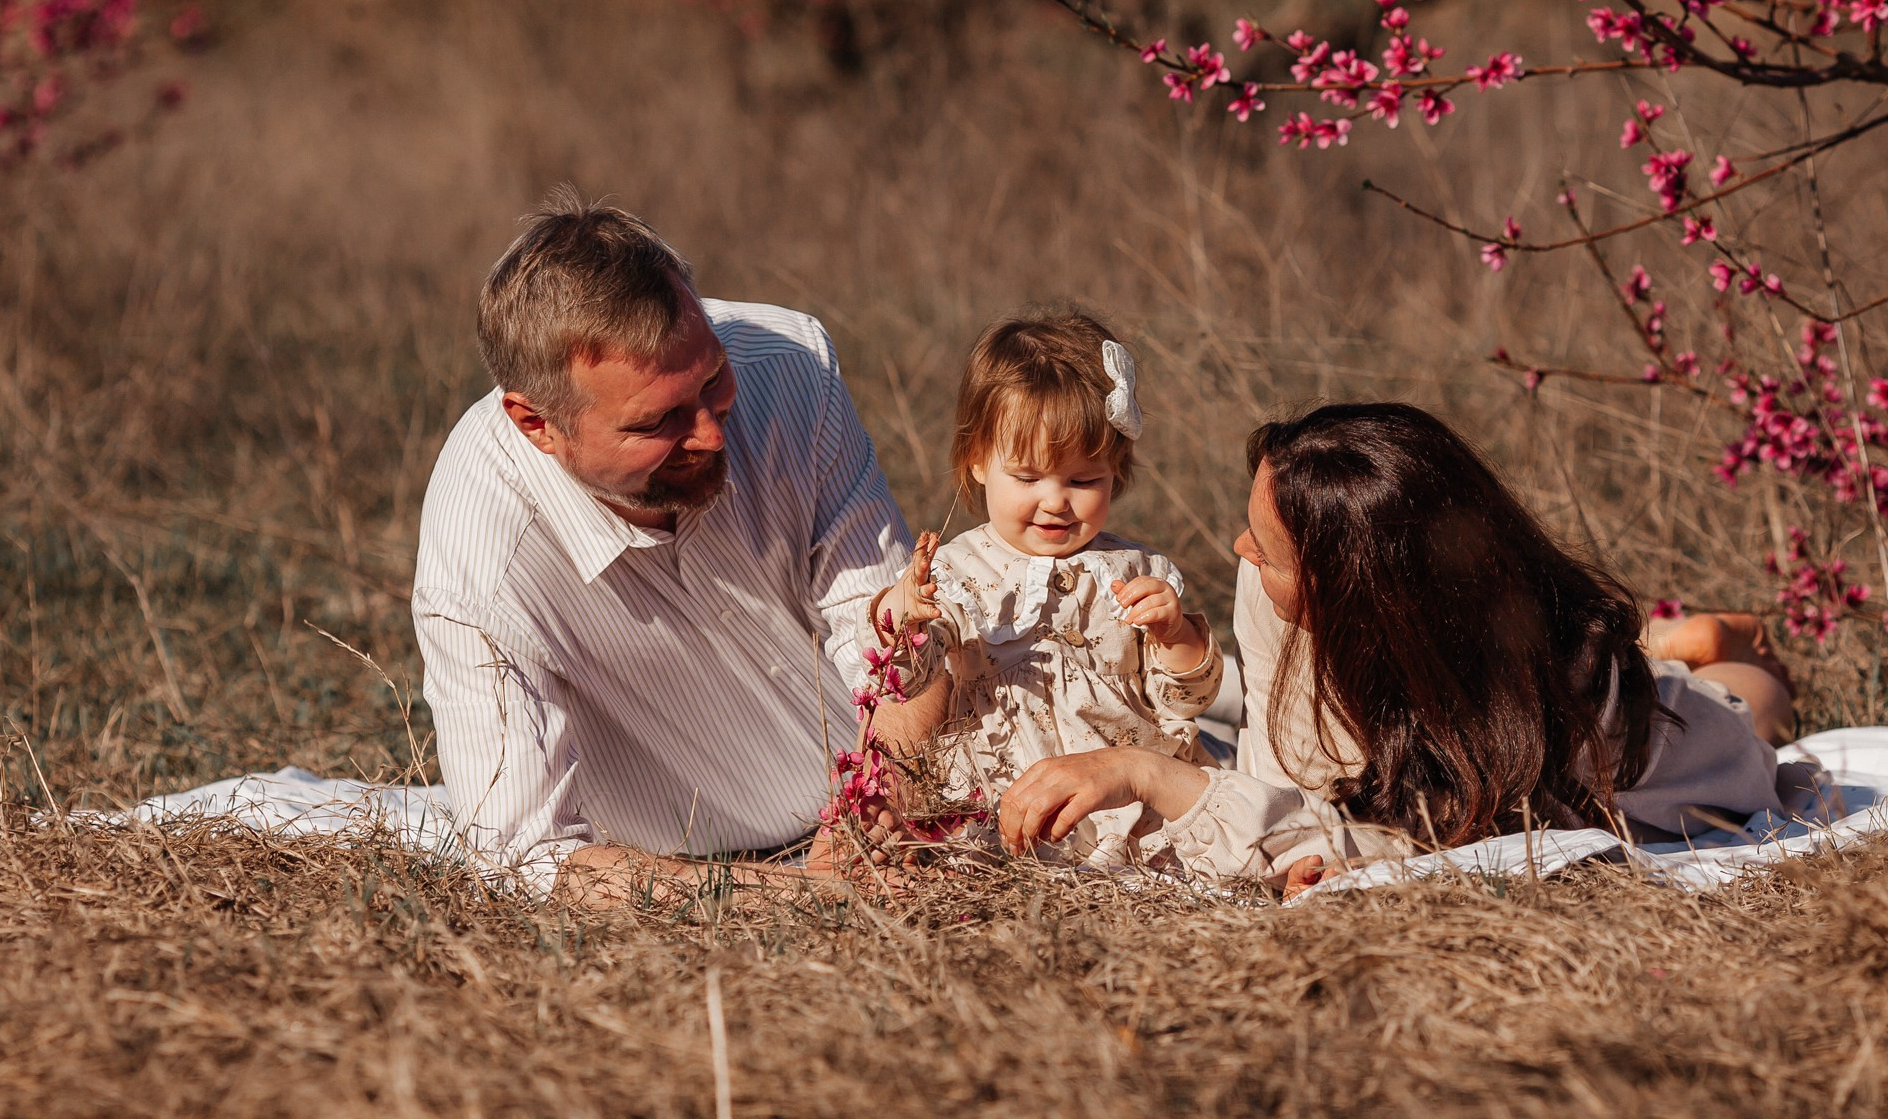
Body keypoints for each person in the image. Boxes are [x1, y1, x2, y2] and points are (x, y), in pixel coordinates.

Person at [997, 402, 1795, 891]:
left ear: (1359, 596)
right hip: (1462, 680)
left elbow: (1441, 836)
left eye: (1270, 554)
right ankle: (1669, 640)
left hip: (1661, 727)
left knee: (1748, 710)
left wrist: (1144, 773)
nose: (1239, 548)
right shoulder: (1272, 590)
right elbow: (1297, 795)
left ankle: (1721, 644)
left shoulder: (1573, 726)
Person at [411, 190, 910, 898]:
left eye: (712, 379)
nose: (711, 431)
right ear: (536, 424)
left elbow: (892, 637)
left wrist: (874, 805)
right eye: (658, 422)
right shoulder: (483, 553)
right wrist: (806, 894)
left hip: (890, 803)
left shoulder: (791, 365)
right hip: (695, 861)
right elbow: (525, 856)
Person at [861, 312, 1223, 865]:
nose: (1056, 501)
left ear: (1116, 470)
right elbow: (909, 681)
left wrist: (1175, 635)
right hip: (1002, 791)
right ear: (977, 461)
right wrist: (905, 616)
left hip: (1121, 790)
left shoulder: (1135, 570)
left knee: (1202, 850)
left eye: (1083, 480)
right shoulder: (959, 570)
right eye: (1028, 478)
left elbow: (1187, 700)